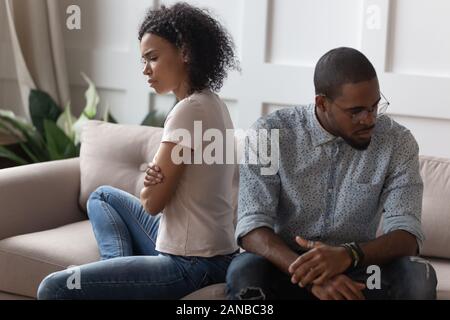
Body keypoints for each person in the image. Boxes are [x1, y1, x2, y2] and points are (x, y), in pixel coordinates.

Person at [37, 2, 239, 300]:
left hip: (191, 264)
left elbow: (152, 202)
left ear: (185, 52)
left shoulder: (188, 111)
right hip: (214, 254)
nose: (145, 70)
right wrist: (153, 179)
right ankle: (116, 271)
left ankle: (113, 278)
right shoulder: (212, 102)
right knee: (102, 196)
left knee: (53, 287)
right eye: (143, 60)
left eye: (153, 58)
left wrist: (150, 184)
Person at [226, 47, 437, 300]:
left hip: (360, 270)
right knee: (245, 271)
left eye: (374, 106)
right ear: (322, 103)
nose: (369, 119)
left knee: (417, 275)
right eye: (356, 111)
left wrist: (349, 255)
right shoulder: (270, 134)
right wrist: (312, 274)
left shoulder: (397, 142)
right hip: (289, 268)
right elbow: (251, 226)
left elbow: (407, 235)